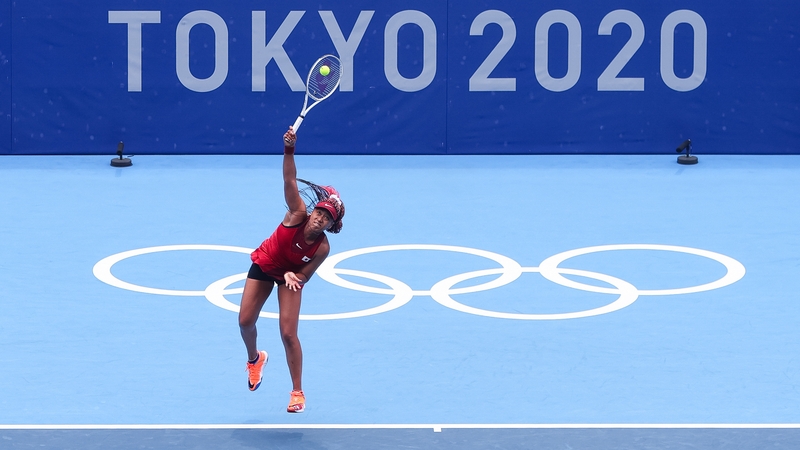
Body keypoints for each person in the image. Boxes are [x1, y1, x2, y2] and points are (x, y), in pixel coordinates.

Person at [238, 126, 345, 413]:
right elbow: (289, 179)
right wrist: (289, 149)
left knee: (288, 333)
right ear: (313, 211)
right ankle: (254, 360)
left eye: (327, 219)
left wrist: (293, 276)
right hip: (266, 263)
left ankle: (297, 392)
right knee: (245, 322)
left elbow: (305, 276)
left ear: (331, 226)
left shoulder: (322, 248)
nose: (320, 219)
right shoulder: (298, 212)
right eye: (320, 213)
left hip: (290, 278)